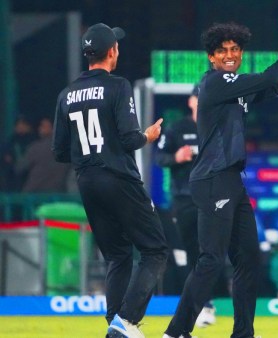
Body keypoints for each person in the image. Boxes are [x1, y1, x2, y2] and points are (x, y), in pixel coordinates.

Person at [163, 9, 278, 338]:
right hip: (214, 179)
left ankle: (243, 333)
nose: (230, 55)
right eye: (223, 50)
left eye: (235, 49)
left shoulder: (234, 90)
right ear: (212, 57)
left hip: (229, 181)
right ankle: (176, 332)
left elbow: (272, 87)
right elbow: (269, 78)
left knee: (248, 260)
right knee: (211, 260)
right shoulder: (214, 83)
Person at [52, 23, 168, 338]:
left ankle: (116, 327)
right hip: (118, 177)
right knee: (155, 250)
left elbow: (60, 152)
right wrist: (148, 135)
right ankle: (126, 321)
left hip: (87, 182)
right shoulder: (118, 86)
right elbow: (130, 138)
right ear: (112, 51)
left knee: (117, 255)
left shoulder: (66, 95)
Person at [155, 85, 216, 327]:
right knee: (190, 252)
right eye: (198, 97)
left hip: (210, 198)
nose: (201, 102)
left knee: (209, 251)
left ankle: (206, 303)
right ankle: (197, 304)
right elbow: (160, 157)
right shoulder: (177, 128)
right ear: (191, 101)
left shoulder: (216, 126)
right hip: (183, 199)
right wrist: (176, 158)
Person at [16, 118, 71, 192]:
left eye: (43, 126)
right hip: (58, 195)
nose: (40, 128)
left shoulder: (36, 148)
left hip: (33, 195)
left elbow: (19, 168)